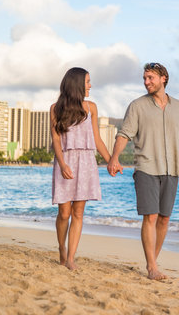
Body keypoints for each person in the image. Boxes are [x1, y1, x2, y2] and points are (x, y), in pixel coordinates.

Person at [107, 62, 179, 280]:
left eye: (150, 78)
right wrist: (114, 158)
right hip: (146, 167)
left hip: (171, 169)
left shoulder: (178, 107)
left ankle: (152, 261)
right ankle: (152, 267)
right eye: (144, 78)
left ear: (163, 78)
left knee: (164, 218)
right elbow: (124, 134)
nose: (146, 82)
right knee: (151, 216)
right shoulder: (137, 106)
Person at [50, 67, 111, 270]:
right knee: (64, 213)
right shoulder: (55, 109)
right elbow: (56, 141)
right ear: (77, 84)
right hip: (65, 161)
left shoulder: (91, 107)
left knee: (78, 213)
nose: (90, 85)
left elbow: (96, 139)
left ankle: (71, 258)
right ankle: (61, 248)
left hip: (86, 163)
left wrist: (111, 160)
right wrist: (62, 163)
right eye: (87, 81)